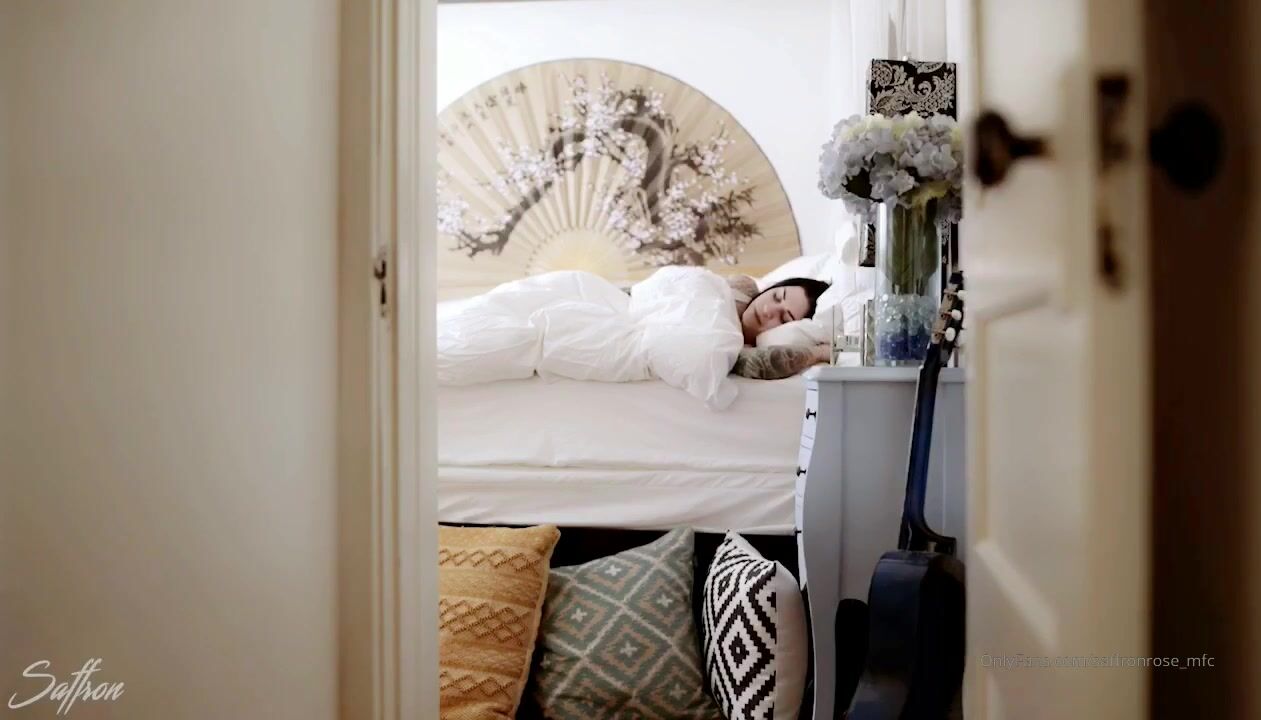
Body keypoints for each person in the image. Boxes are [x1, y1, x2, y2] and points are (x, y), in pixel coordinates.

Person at [727, 275, 832, 380]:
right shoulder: (741, 289)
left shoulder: (748, 354)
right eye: (776, 297)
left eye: (784, 318)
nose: (767, 310)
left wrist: (821, 352)